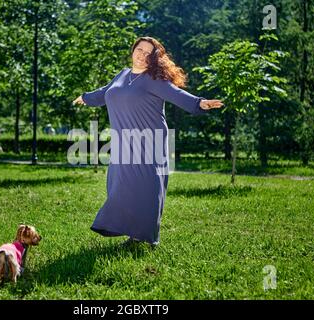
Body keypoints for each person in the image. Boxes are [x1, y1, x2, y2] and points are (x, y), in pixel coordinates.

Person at [73, 36, 223, 247]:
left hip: (150, 143)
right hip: (124, 143)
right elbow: (105, 92)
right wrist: (86, 98)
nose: (142, 55)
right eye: (139, 50)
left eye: (148, 53)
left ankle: (146, 237)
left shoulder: (154, 79)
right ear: (133, 50)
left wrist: (200, 103)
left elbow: (176, 94)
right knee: (120, 187)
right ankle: (127, 229)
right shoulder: (123, 75)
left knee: (148, 189)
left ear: (153, 59)